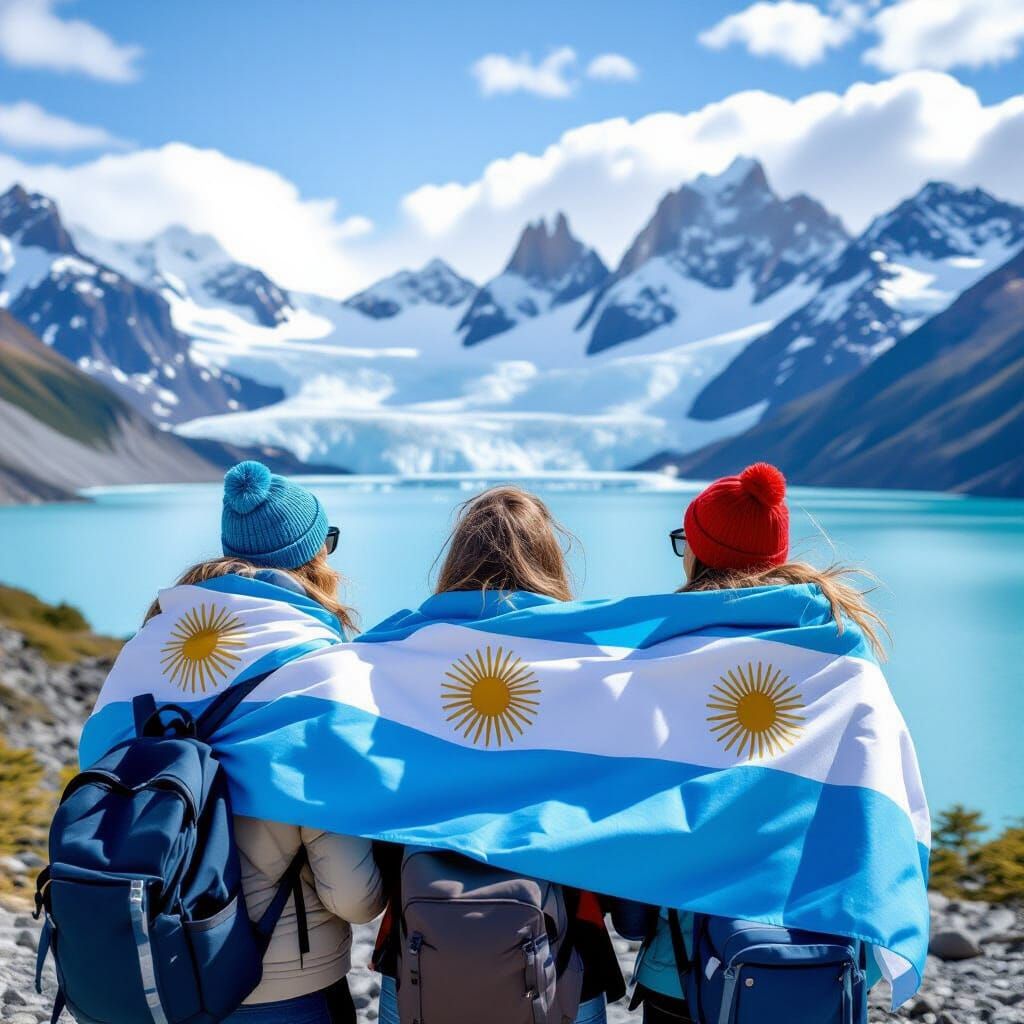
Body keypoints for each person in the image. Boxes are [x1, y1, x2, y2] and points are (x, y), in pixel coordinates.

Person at [631, 461, 887, 1023]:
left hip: (689, 964)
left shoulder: (671, 658)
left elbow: (639, 800)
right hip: (824, 955)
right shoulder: (844, 653)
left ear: (699, 554)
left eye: (685, 543)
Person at [371, 485, 637, 1024]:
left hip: (420, 943)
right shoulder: (589, 665)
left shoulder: (395, 659)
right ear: (549, 559)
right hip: (564, 947)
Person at [144, 461, 385, 1024]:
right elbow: (354, 896)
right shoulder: (314, 673)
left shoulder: (160, 644)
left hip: (153, 971)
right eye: (327, 541)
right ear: (311, 559)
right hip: (275, 986)